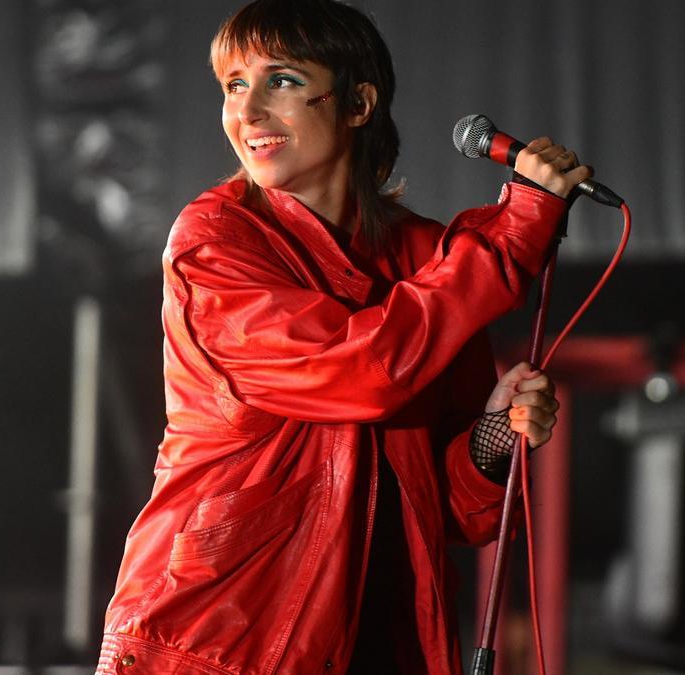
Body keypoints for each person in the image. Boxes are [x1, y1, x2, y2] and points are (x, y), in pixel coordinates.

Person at [96, 1, 592, 672]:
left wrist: (495, 431)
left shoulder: (428, 259)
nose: (247, 110)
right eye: (234, 85)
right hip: (214, 645)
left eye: (282, 81)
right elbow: (364, 370)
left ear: (358, 103)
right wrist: (513, 234)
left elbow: (454, 516)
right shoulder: (216, 241)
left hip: (380, 648)